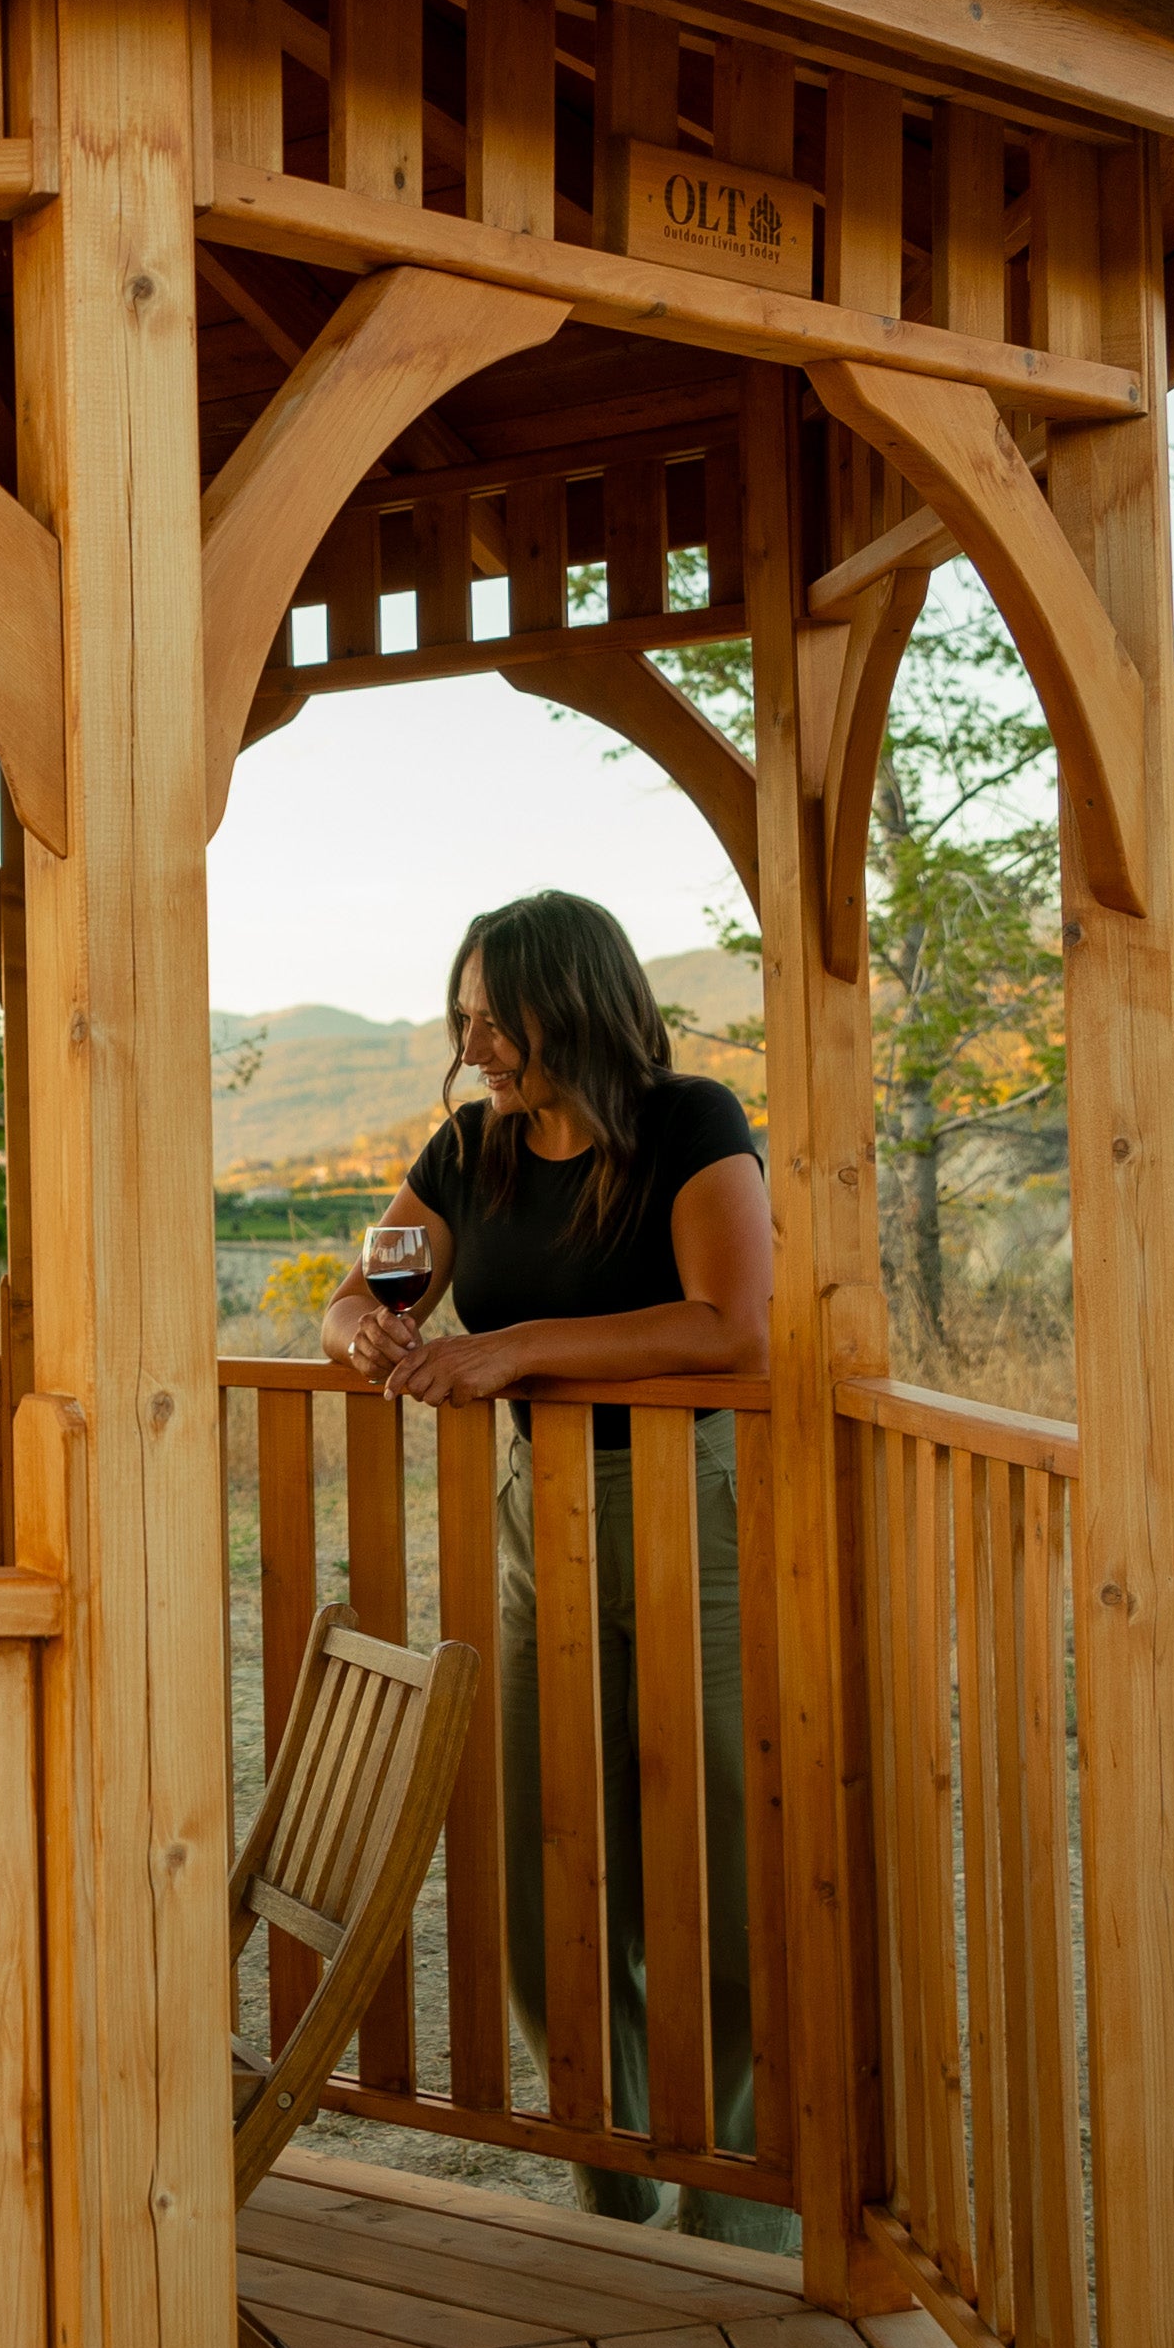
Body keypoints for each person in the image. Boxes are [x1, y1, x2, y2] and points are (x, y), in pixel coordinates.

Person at [321, 893, 790, 2250]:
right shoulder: (471, 1149)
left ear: (568, 1003)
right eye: (464, 1016)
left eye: (494, 1017)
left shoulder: (691, 1123)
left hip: (692, 1509)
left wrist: (516, 1350)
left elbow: (730, 1326)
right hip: (540, 1526)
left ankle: (731, 2223)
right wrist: (362, 1323)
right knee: (546, 1866)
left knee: (717, 1871)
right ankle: (616, 2194)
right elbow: (377, 1285)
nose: (472, 1045)